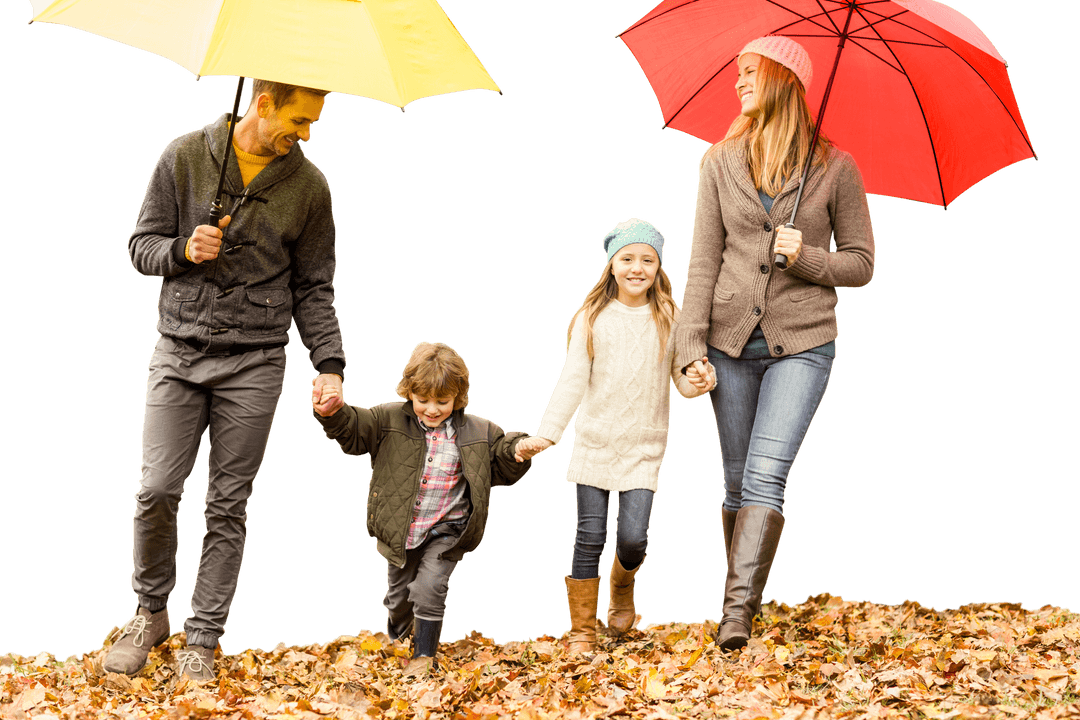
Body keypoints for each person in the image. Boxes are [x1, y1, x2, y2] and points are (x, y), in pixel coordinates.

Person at [103, 79, 347, 681]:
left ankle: (202, 639)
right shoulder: (184, 155)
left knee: (227, 506)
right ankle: (150, 614)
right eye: (300, 119)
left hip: (256, 361)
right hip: (178, 352)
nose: (307, 134)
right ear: (263, 102)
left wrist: (330, 365)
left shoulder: (309, 187)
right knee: (157, 490)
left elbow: (314, 286)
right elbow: (140, 246)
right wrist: (184, 249)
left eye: (314, 122)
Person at [675, 36, 876, 651]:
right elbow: (703, 263)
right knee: (736, 481)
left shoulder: (836, 168)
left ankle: (734, 618)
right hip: (730, 346)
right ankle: (744, 605)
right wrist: (690, 350)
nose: (738, 83)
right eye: (736, 73)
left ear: (785, 81)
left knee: (765, 474)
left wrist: (809, 257)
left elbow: (863, 263)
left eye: (750, 73)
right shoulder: (718, 162)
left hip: (804, 343)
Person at [514, 219, 715, 656]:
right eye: (627, 259)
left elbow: (681, 385)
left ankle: (622, 584)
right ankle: (583, 630)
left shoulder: (671, 317)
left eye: (647, 259)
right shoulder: (593, 317)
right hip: (595, 443)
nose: (636, 268)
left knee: (632, 538)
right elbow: (572, 380)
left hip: (644, 447)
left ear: (659, 267)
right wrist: (548, 435)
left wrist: (699, 378)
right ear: (611, 265)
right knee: (589, 536)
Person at [312, 342, 534, 677]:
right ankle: (398, 641)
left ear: (457, 398)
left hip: (448, 530)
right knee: (399, 598)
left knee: (430, 587)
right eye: (423, 400)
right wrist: (332, 413)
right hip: (402, 530)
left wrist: (517, 450)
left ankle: (424, 657)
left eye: (442, 402)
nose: (432, 409)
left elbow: (500, 463)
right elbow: (354, 430)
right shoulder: (387, 420)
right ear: (409, 393)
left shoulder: (480, 431)